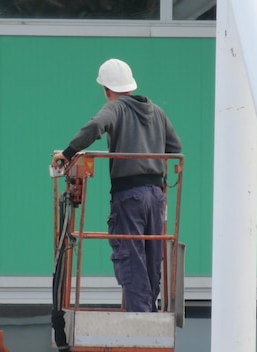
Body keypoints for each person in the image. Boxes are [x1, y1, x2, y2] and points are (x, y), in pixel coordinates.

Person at [51, 58, 182, 312]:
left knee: (131, 256)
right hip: (156, 196)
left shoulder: (116, 108)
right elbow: (175, 148)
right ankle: (150, 311)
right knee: (153, 255)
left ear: (107, 89)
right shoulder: (157, 112)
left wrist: (67, 153)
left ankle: (140, 317)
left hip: (129, 195)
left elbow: (95, 126)